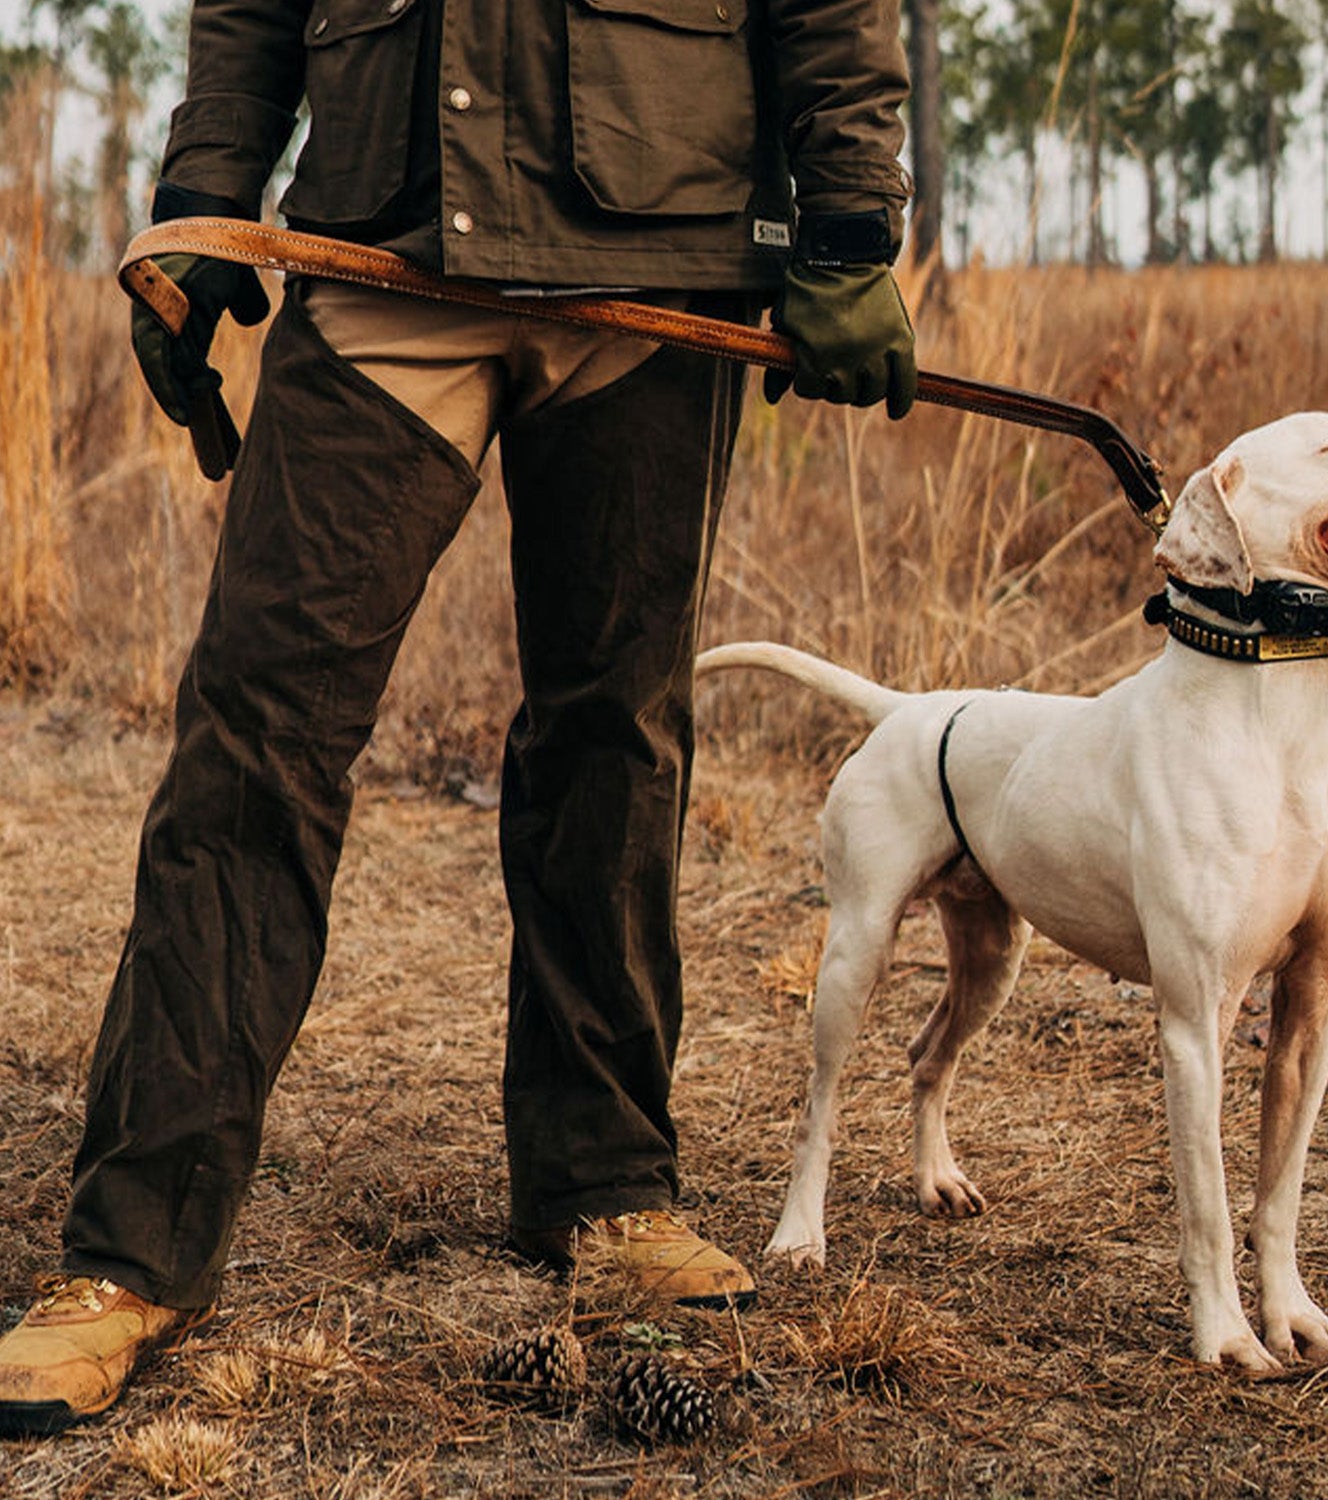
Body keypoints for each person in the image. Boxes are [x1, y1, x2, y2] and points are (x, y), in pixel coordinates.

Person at [0, 0, 915, 1436]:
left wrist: (853, 222)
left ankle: (604, 1185)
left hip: (655, 268)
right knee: (255, 735)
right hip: (383, 256)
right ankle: (135, 1252)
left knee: (616, 730)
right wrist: (200, 202)